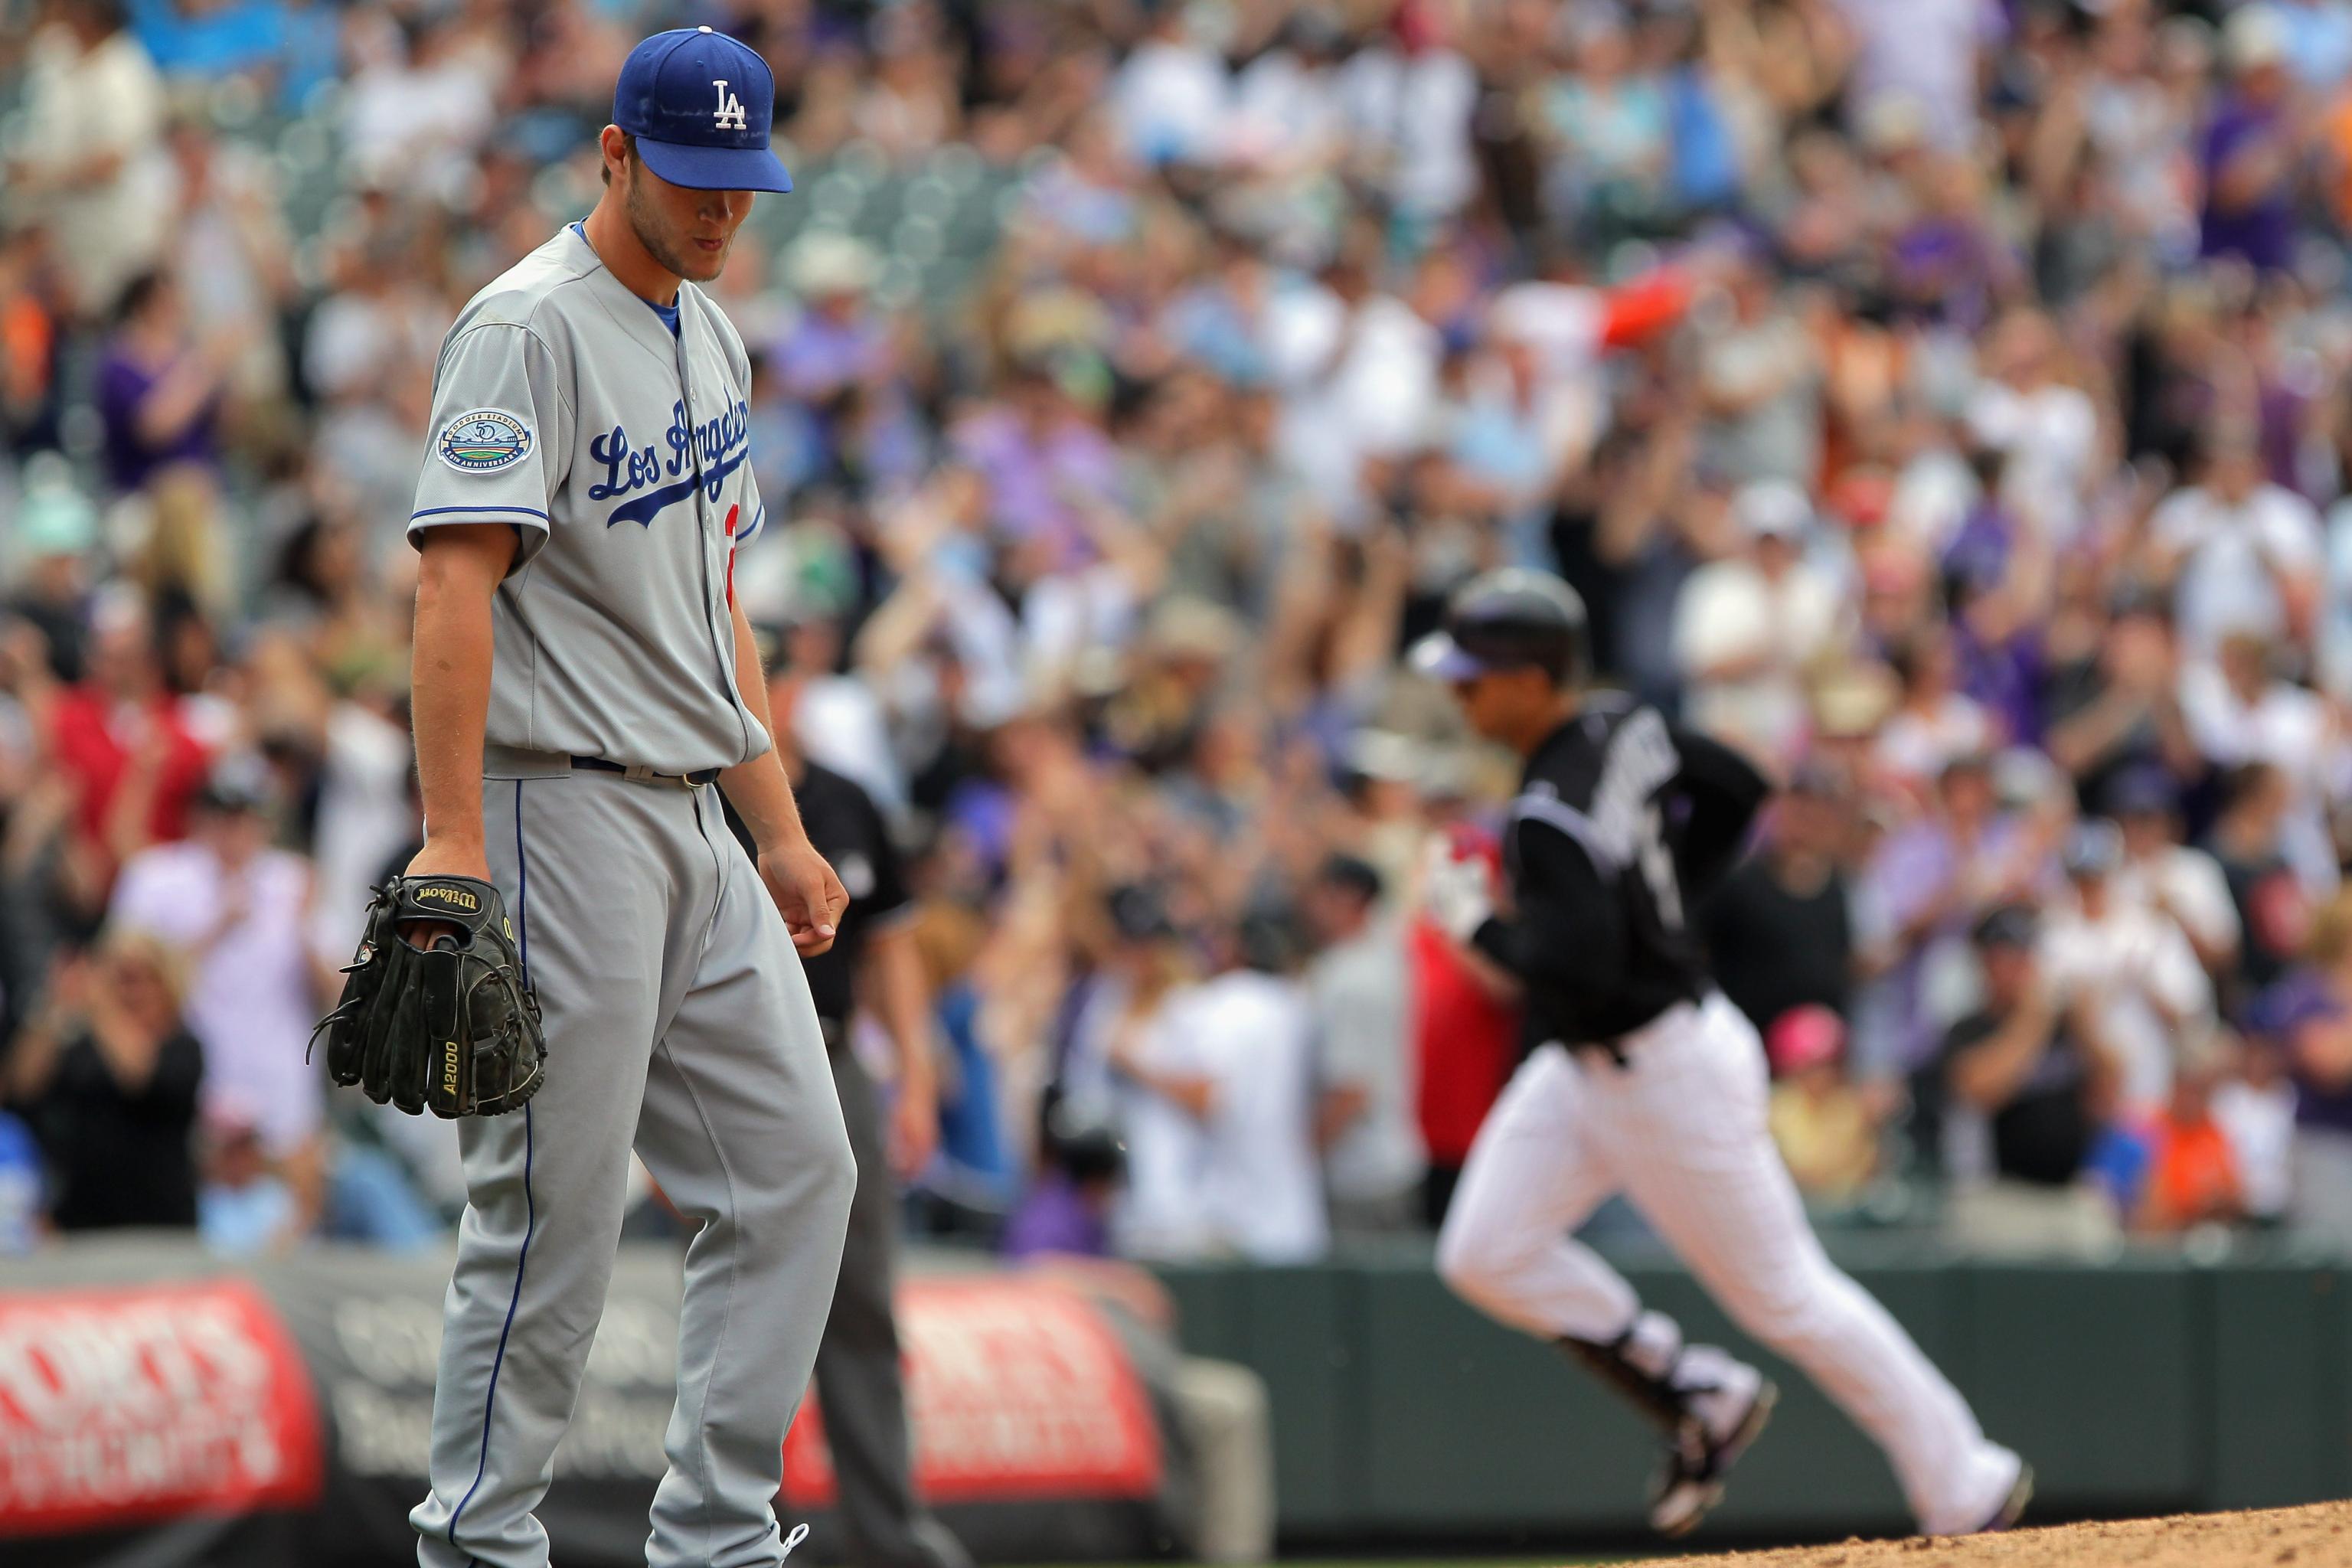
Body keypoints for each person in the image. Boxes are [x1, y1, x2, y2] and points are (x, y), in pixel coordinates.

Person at [396, 30, 857, 1568]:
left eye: (741, 181)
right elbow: (454, 590)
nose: (721, 207)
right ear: (612, 152)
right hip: (558, 804)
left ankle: (716, 1542)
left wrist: (778, 825)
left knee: (800, 1166)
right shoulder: (522, 326)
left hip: (699, 819)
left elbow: (714, 604)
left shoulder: (711, 333)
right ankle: (476, 1543)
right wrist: (452, 835)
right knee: (557, 1223)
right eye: (691, 173)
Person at [1418, 567, 2029, 1540]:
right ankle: (1697, 1389)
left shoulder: (1547, 815)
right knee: (1484, 1249)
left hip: (1664, 1070)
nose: (1460, 693)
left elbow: (1574, 972)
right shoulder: (1622, 723)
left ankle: (1966, 1477)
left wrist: (1475, 927)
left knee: (1789, 1296)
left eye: (1475, 675)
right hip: (1592, 1069)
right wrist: (1666, 901)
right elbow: (1739, 784)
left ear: (1533, 680)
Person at [727, 629, 969, 1568]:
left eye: (783, 673)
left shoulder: (847, 798)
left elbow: (895, 945)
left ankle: (891, 1532)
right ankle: (737, 1527)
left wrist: (913, 1074)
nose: (772, 688)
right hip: (728, 1066)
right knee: (738, 1297)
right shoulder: (696, 792)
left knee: (863, 1299)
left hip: (833, 1059)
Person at [1941, 905, 2125, 1259]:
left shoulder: (2065, 1025)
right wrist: (2033, 1017)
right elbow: (1982, 1091)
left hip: (2069, 1195)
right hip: (1996, 1197)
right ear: (1983, 963)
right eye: (2003, 957)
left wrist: (2086, 1025)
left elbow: (2114, 1086)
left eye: (2023, 955)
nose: (2015, 968)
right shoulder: (1968, 1028)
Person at [1, 931, 201, 1232]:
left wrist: (101, 1004)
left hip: (161, 1226)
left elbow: (139, 1075)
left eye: (135, 978)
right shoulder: (85, 1045)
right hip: (84, 1226)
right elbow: (21, 1085)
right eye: (118, 978)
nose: (126, 991)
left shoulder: (182, 1047)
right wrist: (55, 1007)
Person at [1304, 852, 1425, 1236]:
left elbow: (1351, 1091)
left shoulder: (1350, 977)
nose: (1313, 906)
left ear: (1348, 896)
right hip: (1395, 1159)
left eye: (1323, 895)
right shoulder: (1386, 955)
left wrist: (1303, 1155)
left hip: (1361, 1175)